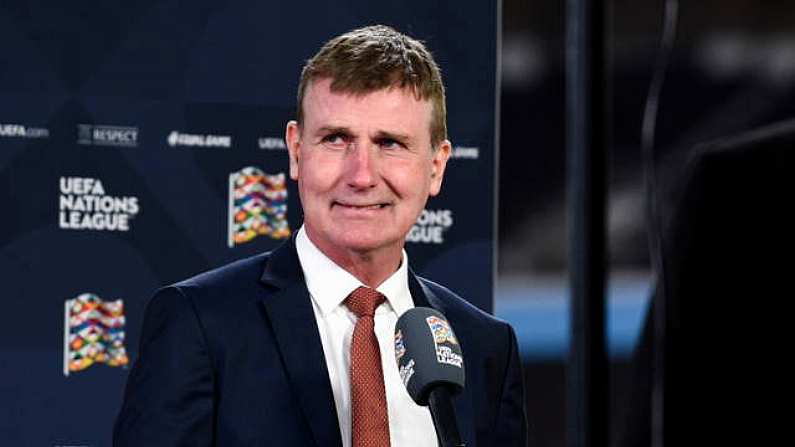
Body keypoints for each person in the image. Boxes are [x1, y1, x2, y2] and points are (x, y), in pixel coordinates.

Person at [114, 25, 527, 447]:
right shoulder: (200, 324)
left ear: (436, 167)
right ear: (296, 151)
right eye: (336, 139)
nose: (362, 175)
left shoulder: (484, 347)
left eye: (390, 143)